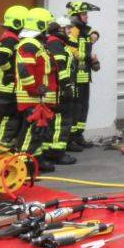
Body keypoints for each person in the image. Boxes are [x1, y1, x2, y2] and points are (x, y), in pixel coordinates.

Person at [15, 7, 57, 172]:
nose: (50, 29)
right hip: (30, 96)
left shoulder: (36, 44)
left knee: (37, 131)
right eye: (48, 24)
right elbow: (24, 69)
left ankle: (36, 160)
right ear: (41, 25)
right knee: (30, 132)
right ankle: (22, 166)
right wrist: (33, 89)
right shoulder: (30, 44)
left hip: (37, 96)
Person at [65, 1, 100, 152]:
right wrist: (88, 57)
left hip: (84, 77)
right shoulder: (73, 31)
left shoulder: (84, 30)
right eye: (84, 14)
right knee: (74, 109)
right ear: (76, 15)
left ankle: (79, 136)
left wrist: (95, 35)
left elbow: (94, 33)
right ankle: (70, 139)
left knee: (83, 108)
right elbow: (72, 51)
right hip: (74, 78)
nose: (87, 16)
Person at [44, 17, 77, 166]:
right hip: (59, 90)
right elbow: (60, 67)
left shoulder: (57, 42)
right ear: (60, 29)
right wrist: (66, 86)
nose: (70, 31)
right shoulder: (55, 43)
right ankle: (57, 153)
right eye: (67, 28)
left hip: (58, 89)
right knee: (61, 122)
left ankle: (52, 152)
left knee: (58, 122)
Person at [0, 5, 27, 146]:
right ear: (19, 23)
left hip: (10, 86)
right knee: (8, 120)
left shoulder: (13, 37)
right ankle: (0, 146)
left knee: (14, 119)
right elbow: (0, 58)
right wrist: (9, 72)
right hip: (7, 87)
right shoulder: (9, 39)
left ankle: (8, 148)